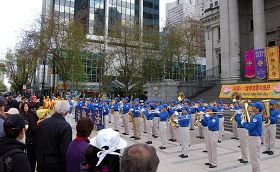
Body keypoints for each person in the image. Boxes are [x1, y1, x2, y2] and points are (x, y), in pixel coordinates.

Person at [35, 100, 72, 172]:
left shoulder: (43, 123)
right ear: (67, 112)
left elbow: (36, 144)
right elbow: (65, 151)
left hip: (41, 164)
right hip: (56, 167)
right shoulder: (65, 127)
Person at [242, 102, 263, 172]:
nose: (252, 107)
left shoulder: (256, 117)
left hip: (254, 139)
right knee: (254, 158)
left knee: (254, 159)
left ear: (257, 109)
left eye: (254, 107)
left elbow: (250, 127)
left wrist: (244, 123)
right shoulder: (256, 116)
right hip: (253, 138)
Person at [20, 102, 39, 172]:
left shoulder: (31, 115)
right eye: (24, 106)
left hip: (30, 139)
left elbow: (33, 127)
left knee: (31, 157)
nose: (25, 108)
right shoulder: (21, 114)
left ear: (28, 107)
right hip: (24, 138)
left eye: (26, 106)